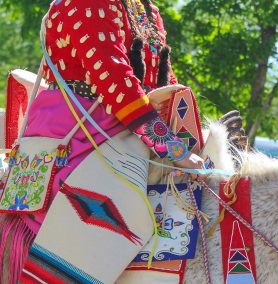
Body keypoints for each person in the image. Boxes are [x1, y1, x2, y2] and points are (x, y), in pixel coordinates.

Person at [0, 0, 206, 282]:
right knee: (88, 216)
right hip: (80, 128)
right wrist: (171, 146)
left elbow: (161, 78)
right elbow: (114, 78)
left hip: (132, 128)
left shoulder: (146, 9)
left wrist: (189, 140)